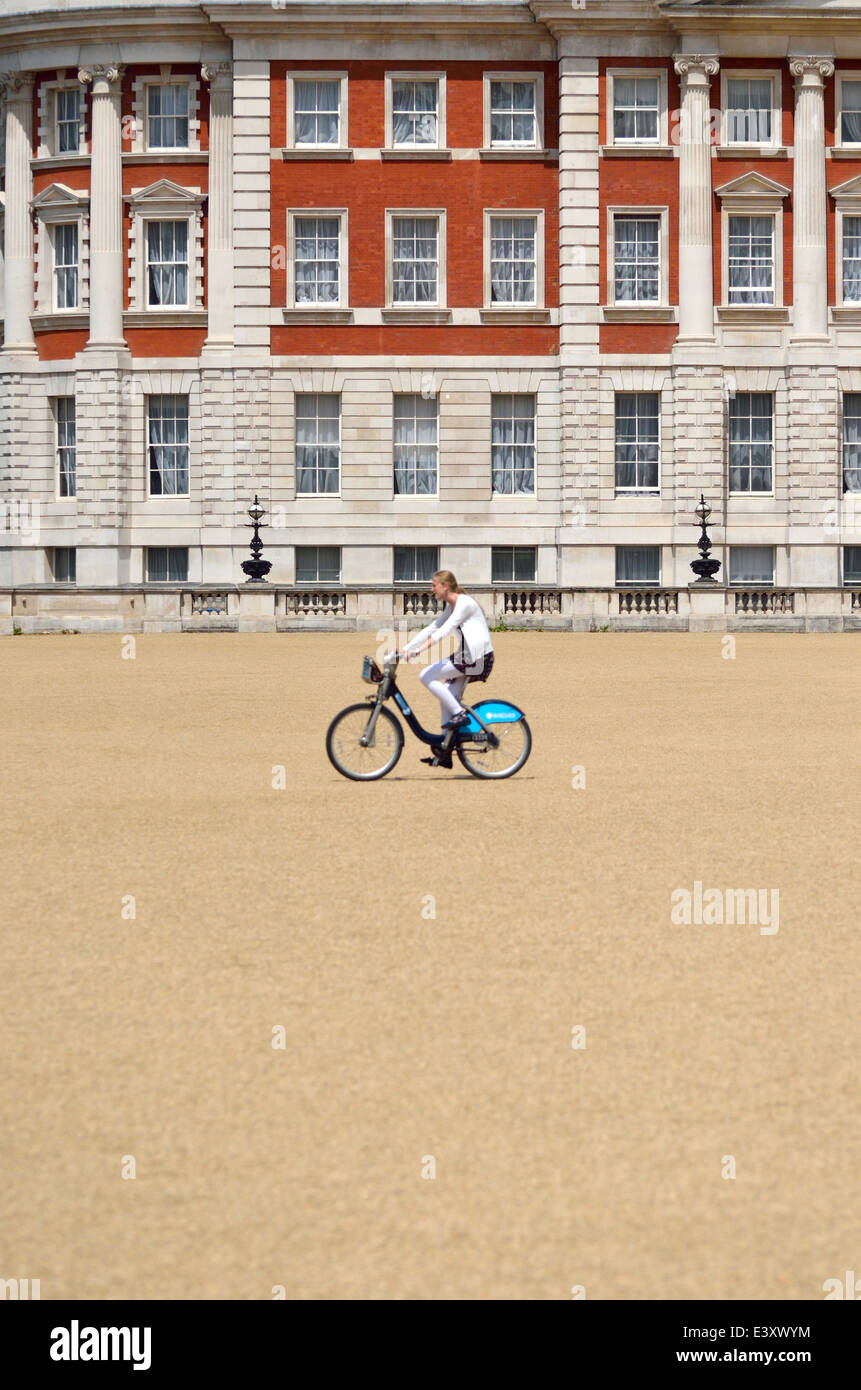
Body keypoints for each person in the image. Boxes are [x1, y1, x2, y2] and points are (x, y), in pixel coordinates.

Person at [397, 570, 495, 768]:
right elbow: (432, 628)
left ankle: (459, 714)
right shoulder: (453, 606)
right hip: (469, 656)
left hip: (477, 658)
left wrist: (417, 653)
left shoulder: (464, 603)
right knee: (447, 696)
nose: (431, 589)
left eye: (434, 585)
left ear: (445, 586)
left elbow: (444, 631)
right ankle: (445, 751)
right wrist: (406, 648)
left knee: (426, 675)